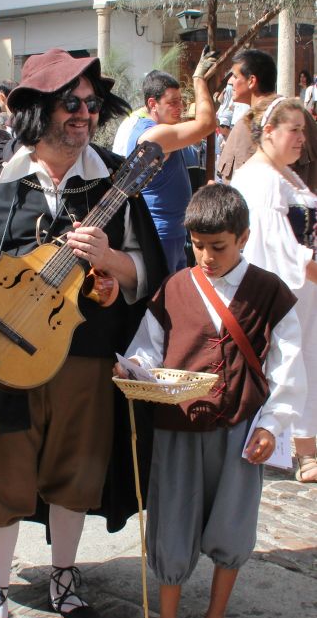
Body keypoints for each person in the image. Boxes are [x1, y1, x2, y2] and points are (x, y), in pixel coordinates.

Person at [0, 47, 168, 618]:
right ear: (37, 111)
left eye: (91, 104)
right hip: (2, 355)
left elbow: (147, 270)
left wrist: (110, 266)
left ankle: (64, 578)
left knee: (75, 471)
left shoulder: (114, 177)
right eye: (71, 103)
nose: (85, 114)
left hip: (82, 356)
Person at [115, 183, 305, 618]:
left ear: (242, 237)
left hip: (239, 427)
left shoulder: (270, 293)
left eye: (218, 246)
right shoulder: (174, 289)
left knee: (232, 526)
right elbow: (147, 348)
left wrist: (273, 423)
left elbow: (287, 365)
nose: (206, 256)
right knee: (171, 521)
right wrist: (132, 369)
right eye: (198, 245)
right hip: (178, 424)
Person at [231, 96, 317, 483]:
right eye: (294, 130)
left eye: (304, 130)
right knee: (293, 361)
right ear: (269, 131)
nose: (302, 139)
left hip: (303, 288)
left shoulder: (282, 173)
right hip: (288, 289)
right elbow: (282, 251)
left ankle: (302, 444)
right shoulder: (263, 179)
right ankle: (304, 450)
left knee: (304, 360)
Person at [126, 47, 217, 273]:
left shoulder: (163, 129)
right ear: (152, 104)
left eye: (181, 101)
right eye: (172, 103)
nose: (180, 108)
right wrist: (198, 81)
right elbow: (206, 125)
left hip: (173, 233)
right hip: (160, 234)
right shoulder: (154, 136)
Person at [217, 49, 317, 192]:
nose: (230, 82)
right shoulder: (301, 116)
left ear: (252, 81)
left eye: (234, 75)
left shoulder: (251, 125)